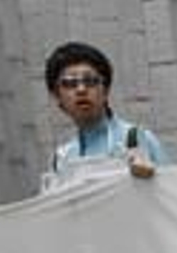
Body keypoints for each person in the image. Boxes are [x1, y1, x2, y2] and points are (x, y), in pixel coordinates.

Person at [43, 41, 166, 191]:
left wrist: (152, 179)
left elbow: (173, 197)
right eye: (70, 83)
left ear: (106, 90)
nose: (81, 89)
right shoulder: (61, 159)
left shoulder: (137, 139)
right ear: (57, 96)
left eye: (90, 81)